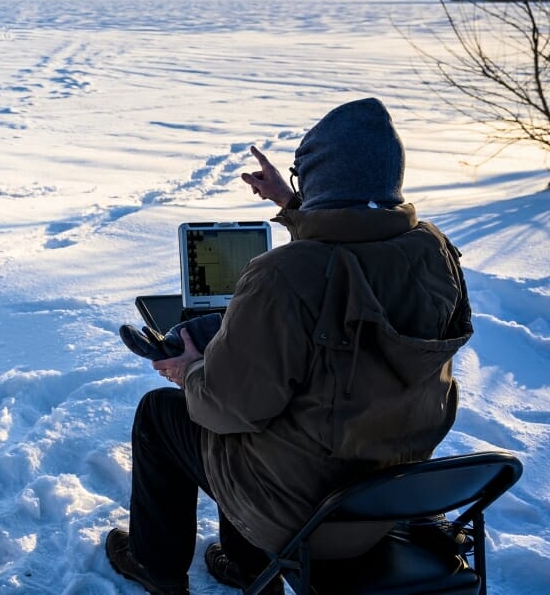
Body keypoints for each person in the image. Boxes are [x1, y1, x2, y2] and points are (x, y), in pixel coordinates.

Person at [104, 98, 473, 595]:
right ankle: (242, 562)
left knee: (163, 415)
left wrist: (190, 370)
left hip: (308, 515)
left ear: (321, 182)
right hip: (391, 493)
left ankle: (157, 565)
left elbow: (224, 410)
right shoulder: (435, 252)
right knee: (290, 403)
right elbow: (356, 247)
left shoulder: (282, 276)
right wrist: (294, 206)